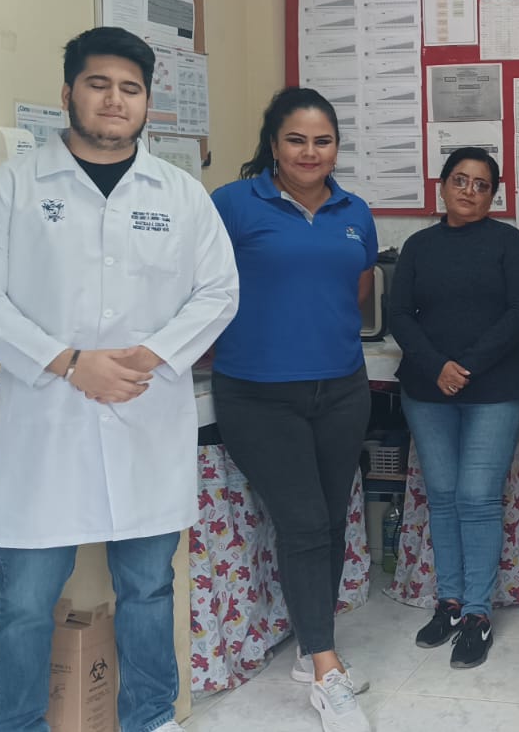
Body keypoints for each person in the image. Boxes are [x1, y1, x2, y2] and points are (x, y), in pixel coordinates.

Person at [0, 26, 239, 732]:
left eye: (130, 89)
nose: (115, 100)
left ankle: (150, 719)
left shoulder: (181, 194)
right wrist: (72, 363)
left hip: (144, 415)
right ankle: (15, 724)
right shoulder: (12, 188)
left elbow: (219, 293)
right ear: (68, 93)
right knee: (25, 600)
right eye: (99, 84)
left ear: (146, 103)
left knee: (148, 590)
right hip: (45, 430)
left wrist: (150, 356)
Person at [209, 87, 378, 732]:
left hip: (342, 388)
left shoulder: (354, 212)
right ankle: (328, 671)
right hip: (258, 393)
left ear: (337, 147)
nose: (311, 153)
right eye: (297, 140)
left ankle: (313, 650)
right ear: (273, 145)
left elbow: (355, 287)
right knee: (304, 522)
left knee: (331, 521)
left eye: (323, 141)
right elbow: (202, 287)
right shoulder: (232, 204)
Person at [388, 147, 519, 670]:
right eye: (460, 180)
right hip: (427, 389)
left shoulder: (507, 242)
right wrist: (437, 367)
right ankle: (448, 604)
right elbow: (398, 314)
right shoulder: (419, 245)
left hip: (492, 388)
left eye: (481, 184)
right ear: (443, 186)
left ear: (494, 194)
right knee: (444, 497)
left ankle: (477, 613)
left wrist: (465, 366)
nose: (469, 191)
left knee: (476, 497)